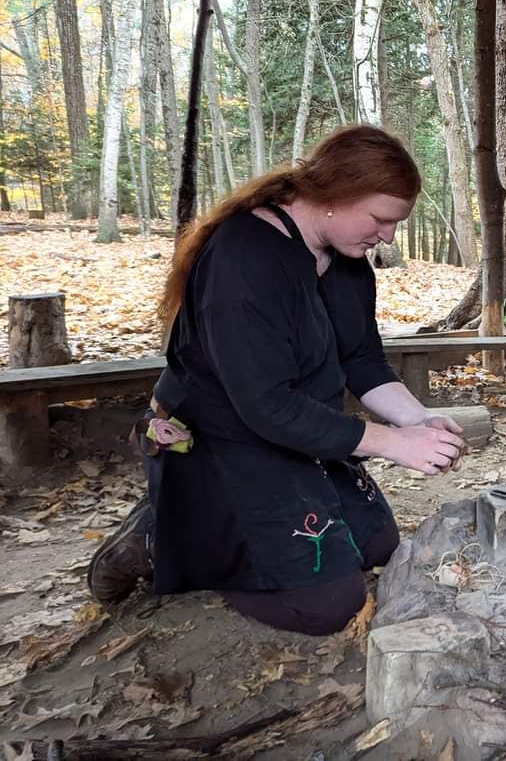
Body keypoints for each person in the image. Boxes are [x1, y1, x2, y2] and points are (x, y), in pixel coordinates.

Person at [87, 125, 466, 635]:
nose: (388, 237)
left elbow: (362, 358)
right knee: (327, 605)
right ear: (334, 194)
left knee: (376, 546)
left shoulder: (348, 261)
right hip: (227, 437)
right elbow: (265, 405)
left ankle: (208, 530)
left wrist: (419, 420)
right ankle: (167, 533)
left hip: (301, 429)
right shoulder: (244, 257)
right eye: (380, 219)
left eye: (396, 223)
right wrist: (392, 443)